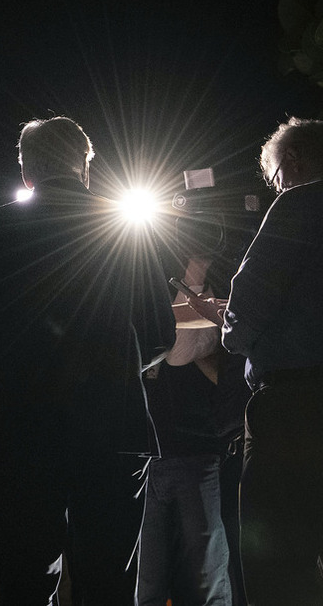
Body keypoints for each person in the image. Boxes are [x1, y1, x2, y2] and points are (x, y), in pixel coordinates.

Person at [186, 118, 323, 605]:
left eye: (274, 180)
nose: (276, 189)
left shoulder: (302, 202)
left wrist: (231, 327)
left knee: (280, 569)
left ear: (293, 162)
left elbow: (249, 304)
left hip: (299, 406)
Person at [0, 116, 176, 604]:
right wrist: (114, 367)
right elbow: (162, 330)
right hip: (115, 426)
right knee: (109, 581)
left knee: (27, 579)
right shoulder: (124, 224)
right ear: (85, 166)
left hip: (29, 427)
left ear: (25, 170)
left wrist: (21, 360)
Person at [138, 255, 236, 606]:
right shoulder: (140, 273)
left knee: (204, 577)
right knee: (143, 580)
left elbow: (179, 350)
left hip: (197, 447)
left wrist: (198, 267)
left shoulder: (226, 279)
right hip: (145, 451)